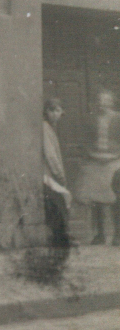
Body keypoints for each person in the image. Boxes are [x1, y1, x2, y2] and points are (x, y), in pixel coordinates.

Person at [74, 89, 120, 246]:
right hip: (95, 162)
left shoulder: (118, 118)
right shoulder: (90, 119)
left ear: (112, 102)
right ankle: (100, 234)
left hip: (114, 162)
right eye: (100, 101)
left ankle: (117, 235)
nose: (103, 104)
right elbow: (84, 140)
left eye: (106, 101)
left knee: (116, 199)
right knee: (97, 201)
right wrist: (89, 153)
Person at [42, 98, 72, 251]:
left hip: (52, 176)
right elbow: (51, 155)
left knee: (59, 208)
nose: (54, 114)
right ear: (46, 112)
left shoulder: (52, 129)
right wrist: (59, 175)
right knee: (58, 208)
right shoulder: (45, 128)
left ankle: (59, 241)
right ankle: (59, 242)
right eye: (51, 110)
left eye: (58, 110)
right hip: (48, 176)